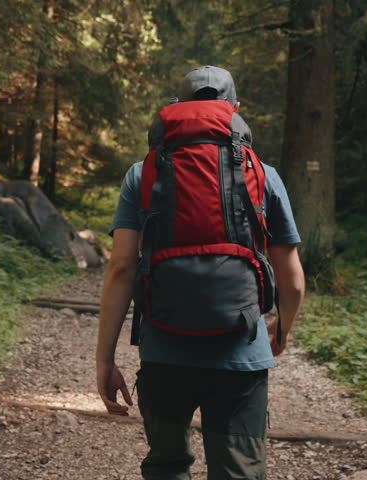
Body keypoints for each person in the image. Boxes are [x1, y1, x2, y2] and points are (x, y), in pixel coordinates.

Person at [95, 65, 306, 480]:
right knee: (238, 472)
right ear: (236, 109)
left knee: (168, 467)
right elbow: (292, 279)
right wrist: (281, 330)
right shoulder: (264, 175)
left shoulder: (141, 173)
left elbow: (121, 268)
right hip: (241, 351)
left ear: (180, 107)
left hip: (163, 350)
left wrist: (105, 359)